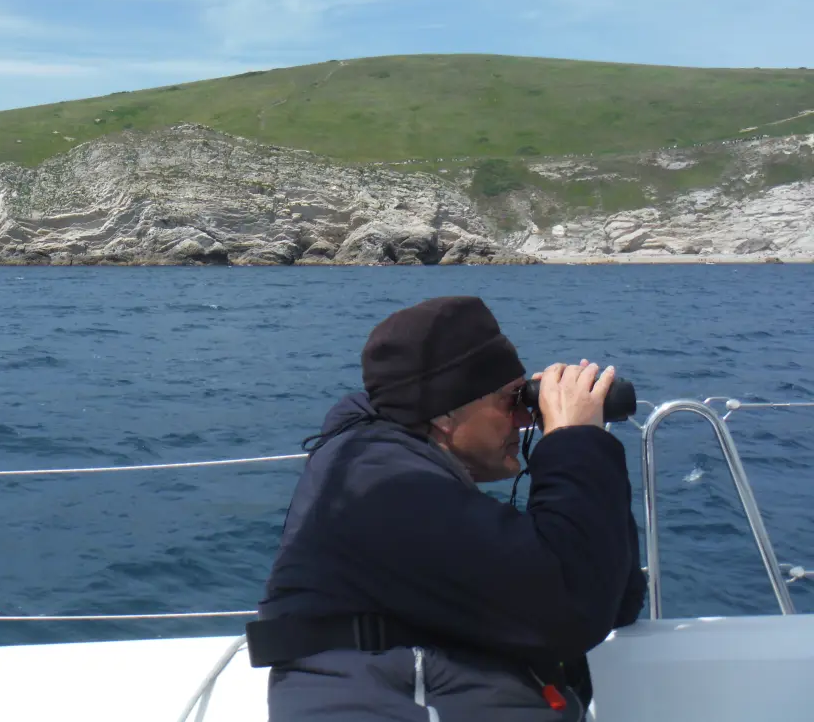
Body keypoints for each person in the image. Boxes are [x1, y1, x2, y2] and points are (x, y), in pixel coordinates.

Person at [247, 295, 646, 721]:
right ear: (443, 414)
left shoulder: (390, 466)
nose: (526, 419)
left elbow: (613, 599)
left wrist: (582, 442)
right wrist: (574, 441)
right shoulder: (384, 487)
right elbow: (573, 608)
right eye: (512, 400)